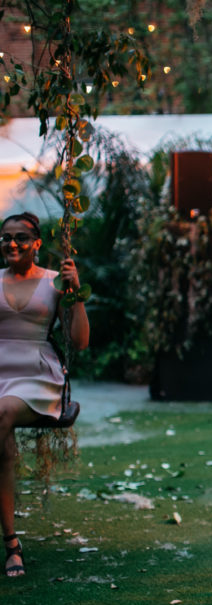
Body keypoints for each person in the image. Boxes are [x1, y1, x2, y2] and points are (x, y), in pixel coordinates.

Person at [0, 212, 90, 577]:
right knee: (2, 447)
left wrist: (76, 290)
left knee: (2, 413)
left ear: (38, 243)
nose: (12, 244)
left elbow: (80, 342)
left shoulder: (56, 282)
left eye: (21, 237)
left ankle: (11, 545)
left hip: (35, 374)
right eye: (5, 237)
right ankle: (12, 544)